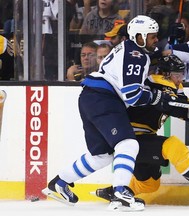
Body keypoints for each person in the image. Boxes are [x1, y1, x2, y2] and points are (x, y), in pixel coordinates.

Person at [42, 15, 179, 211]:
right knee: (129, 143)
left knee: (101, 155)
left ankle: (59, 183)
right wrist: (158, 97)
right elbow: (132, 96)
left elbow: (150, 58)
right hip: (104, 99)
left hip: (91, 98)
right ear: (139, 36)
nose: (155, 40)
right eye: (152, 36)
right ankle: (121, 193)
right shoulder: (136, 56)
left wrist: (159, 57)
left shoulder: (130, 48)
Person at [95, 55, 189, 208]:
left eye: (182, 74)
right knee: (172, 145)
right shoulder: (155, 85)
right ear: (165, 74)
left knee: (149, 185)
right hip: (129, 141)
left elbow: (187, 109)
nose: (180, 79)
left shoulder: (171, 88)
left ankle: (114, 192)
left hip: (141, 141)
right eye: (177, 75)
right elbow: (181, 109)